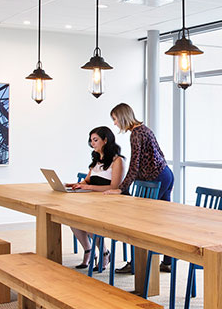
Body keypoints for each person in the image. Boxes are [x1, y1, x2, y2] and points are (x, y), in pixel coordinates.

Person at [107, 102, 175, 273]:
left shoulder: (136, 134)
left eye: (115, 119)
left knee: (142, 221)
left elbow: (134, 164)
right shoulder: (144, 129)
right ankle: (168, 262)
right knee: (164, 220)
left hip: (156, 178)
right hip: (165, 174)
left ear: (122, 117)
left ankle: (138, 263)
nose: (115, 123)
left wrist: (121, 188)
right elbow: (160, 154)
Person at [69, 126, 124, 270]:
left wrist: (88, 187)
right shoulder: (96, 161)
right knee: (72, 219)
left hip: (111, 204)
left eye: (95, 140)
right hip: (94, 202)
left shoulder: (117, 161)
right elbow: (87, 180)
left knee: (88, 222)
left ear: (105, 140)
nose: (92, 143)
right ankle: (89, 251)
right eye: (91, 140)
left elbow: (114, 187)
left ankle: (104, 253)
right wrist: (77, 184)